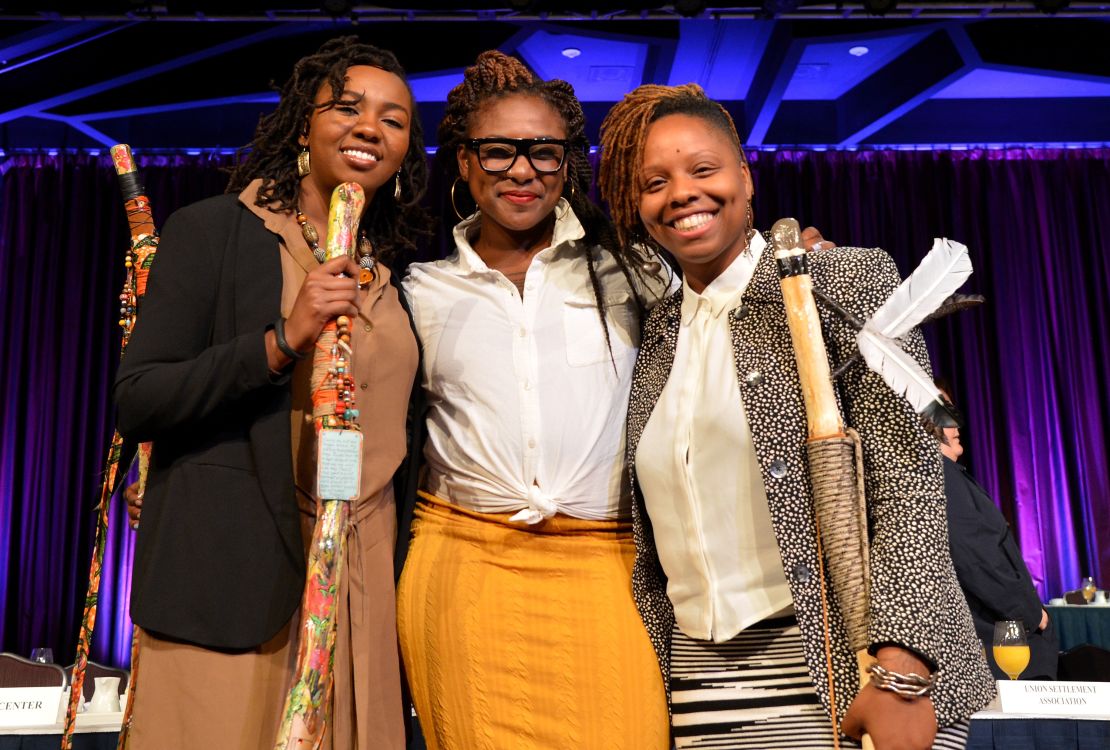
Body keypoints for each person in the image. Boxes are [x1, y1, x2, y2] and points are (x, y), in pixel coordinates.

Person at [597, 83, 995, 749]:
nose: (681, 194)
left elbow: (911, 484)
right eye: (654, 182)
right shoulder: (656, 334)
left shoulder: (839, 284)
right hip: (704, 678)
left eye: (703, 169)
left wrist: (901, 668)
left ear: (745, 178)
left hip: (855, 661)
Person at [113, 36, 432, 750]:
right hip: (233, 575)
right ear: (300, 124)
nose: (369, 128)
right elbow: (140, 397)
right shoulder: (214, 232)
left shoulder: (393, 271)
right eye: (347, 108)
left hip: (361, 584)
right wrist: (281, 340)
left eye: (394, 119)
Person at [394, 50, 674, 750]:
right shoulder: (419, 291)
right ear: (463, 162)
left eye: (544, 153)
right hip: (464, 572)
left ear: (566, 163)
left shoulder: (631, 273)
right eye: (498, 152)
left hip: (605, 569)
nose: (522, 171)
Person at [934, 383, 1058, 680]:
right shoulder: (943, 478)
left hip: (1005, 640)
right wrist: (1030, 613)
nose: (956, 422)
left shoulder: (952, 477)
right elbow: (975, 557)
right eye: (944, 411)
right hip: (1000, 644)